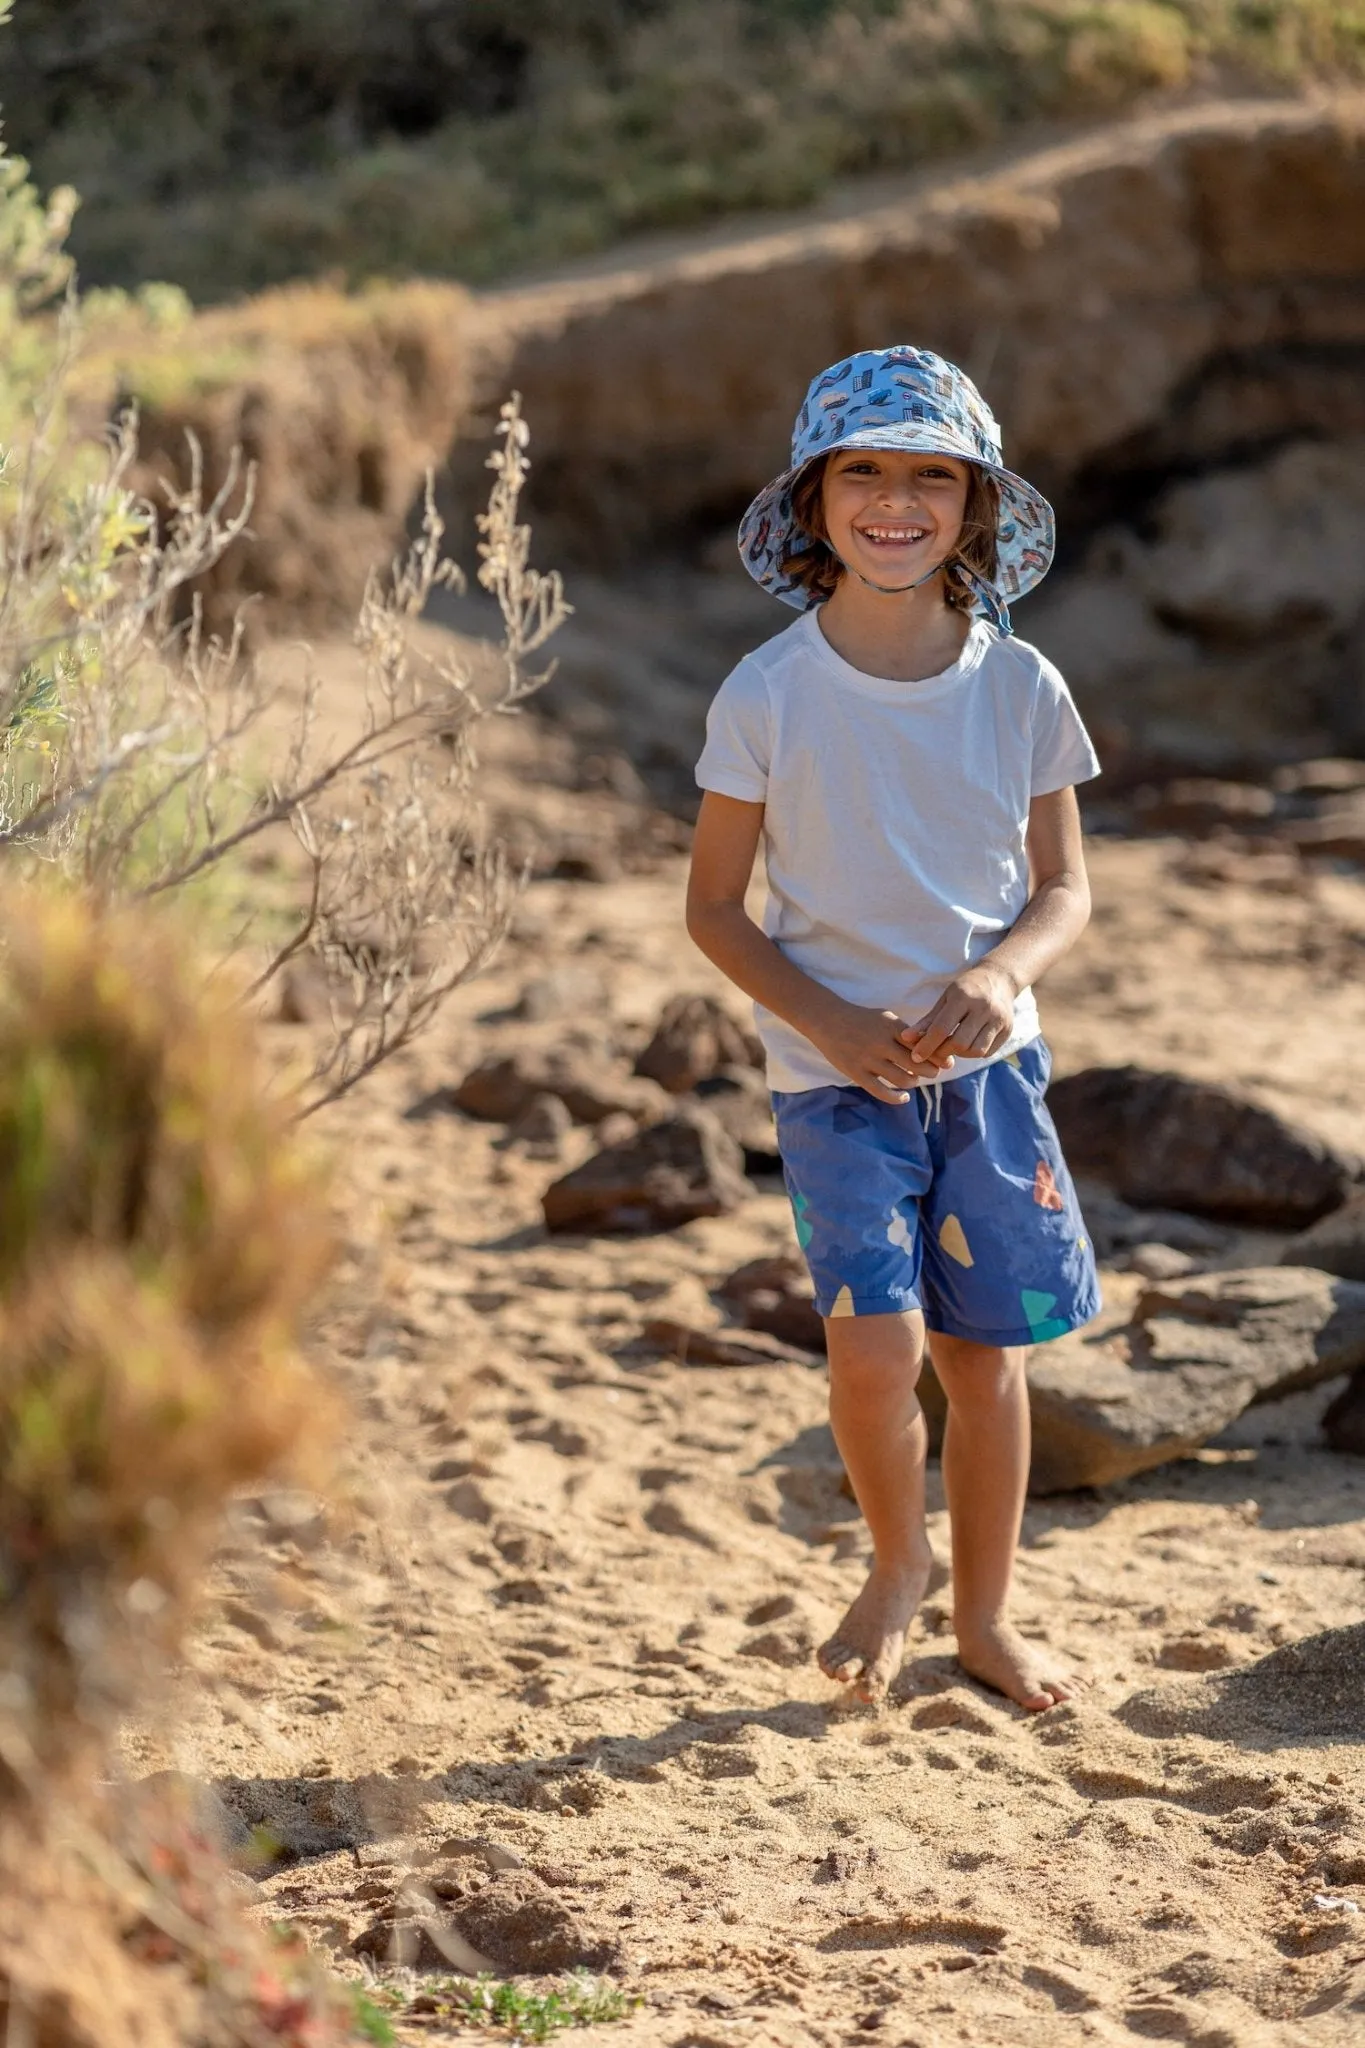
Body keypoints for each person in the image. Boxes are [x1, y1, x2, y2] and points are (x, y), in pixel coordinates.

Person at [686, 345, 1102, 1712]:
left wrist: (1001, 977)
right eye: (863, 470)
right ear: (813, 503)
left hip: (989, 1078)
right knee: (874, 1348)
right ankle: (896, 1561)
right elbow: (715, 911)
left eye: (933, 474)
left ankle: (986, 1618)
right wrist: (829, 1021)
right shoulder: (767, 692)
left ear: (976, 509)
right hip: (830, 1079)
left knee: (988, 1359)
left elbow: (1065, 889)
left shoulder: (1022, 685)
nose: (896, 500)